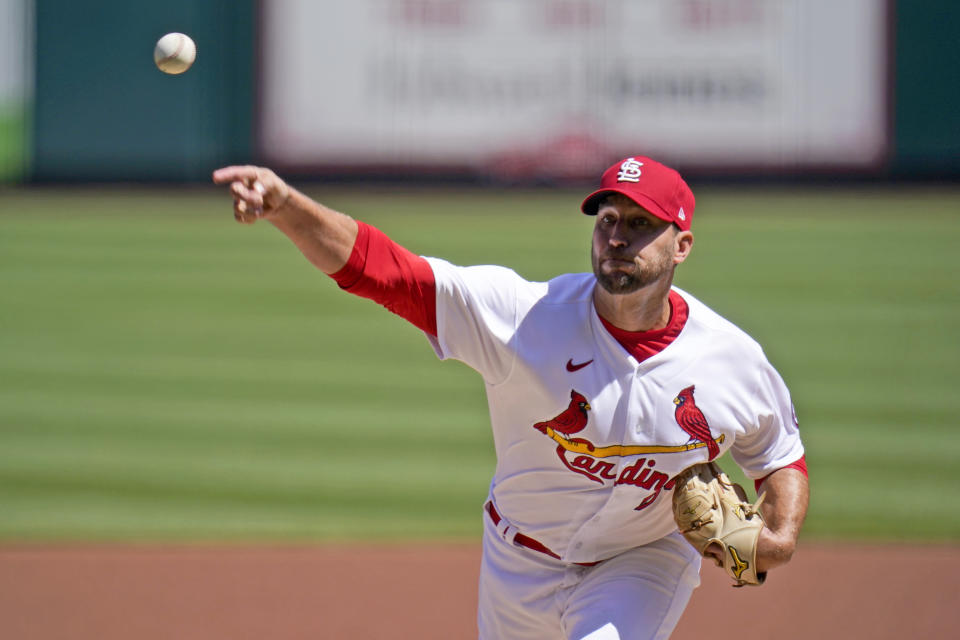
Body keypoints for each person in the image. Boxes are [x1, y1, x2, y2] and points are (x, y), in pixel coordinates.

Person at [212, 156, 809, 640]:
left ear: (681, 247)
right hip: (516, 562)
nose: (617, 239)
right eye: (608, 220)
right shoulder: (526, 316)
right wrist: (287, 207)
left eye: (640, 225)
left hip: (642, 559)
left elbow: (778, 452)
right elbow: (386, 271)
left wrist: (778, 539)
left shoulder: (731, 359)